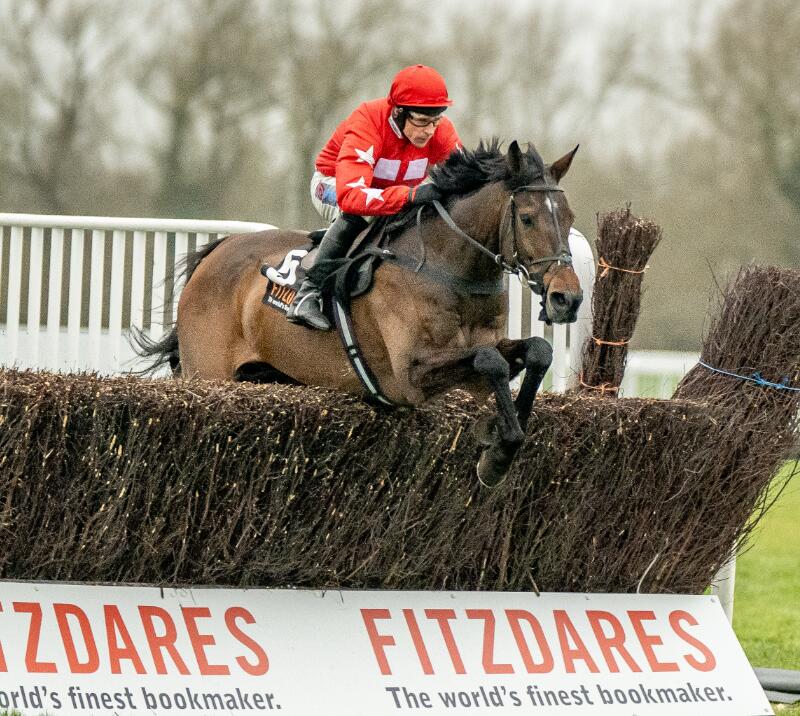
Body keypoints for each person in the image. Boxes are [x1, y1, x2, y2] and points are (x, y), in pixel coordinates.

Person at [287, 64, 462, 330]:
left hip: (389, 192)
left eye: (436, 121)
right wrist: (410, 194)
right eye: (422, 121)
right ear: (398, 112)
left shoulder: (440, 130)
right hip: (334, 185)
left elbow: (464, 178)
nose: (429, 130)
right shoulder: (368, 120)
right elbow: (352, 196)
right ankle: (307, 292)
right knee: (363, 211)